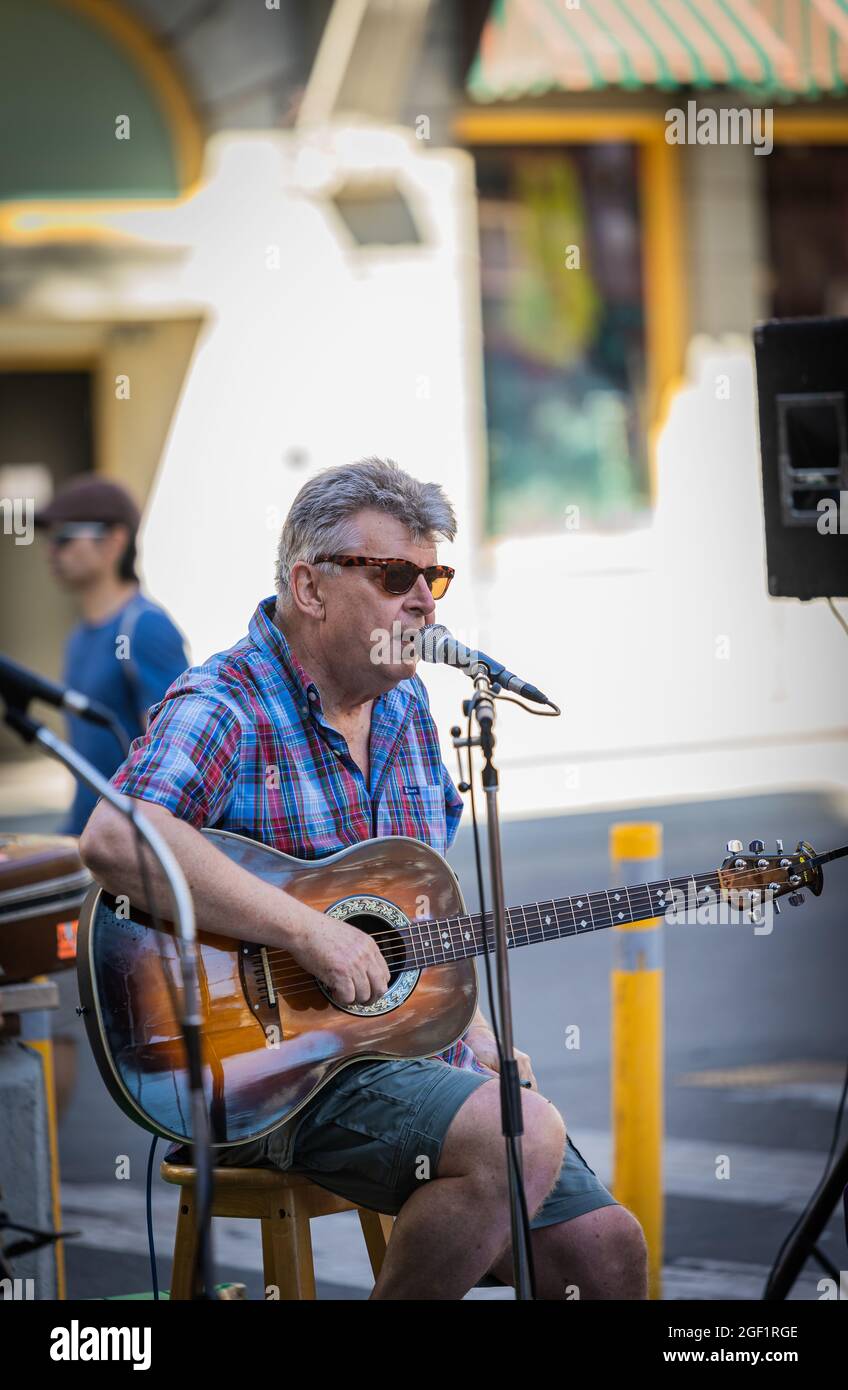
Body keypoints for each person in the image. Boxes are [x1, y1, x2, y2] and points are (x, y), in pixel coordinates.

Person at [79, 456, 647, 1299]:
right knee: (518, 1138)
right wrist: (307, 930)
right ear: (310, 587)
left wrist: (475, 1029)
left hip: (401, 1052)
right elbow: (116, 838)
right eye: (394, 577)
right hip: (264, 1076)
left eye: (435, 578)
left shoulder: (412, 713)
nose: (423, 600)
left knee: (608, 1251)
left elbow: (413, 921)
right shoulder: (225, 702)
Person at [35, 474, 189, 836]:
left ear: (115, 541)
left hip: (131, 845)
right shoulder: (79, 635)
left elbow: (177, 756)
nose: (51, 552)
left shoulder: (144, 628)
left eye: (65, 538)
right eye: (49, 540)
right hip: (85, 833)